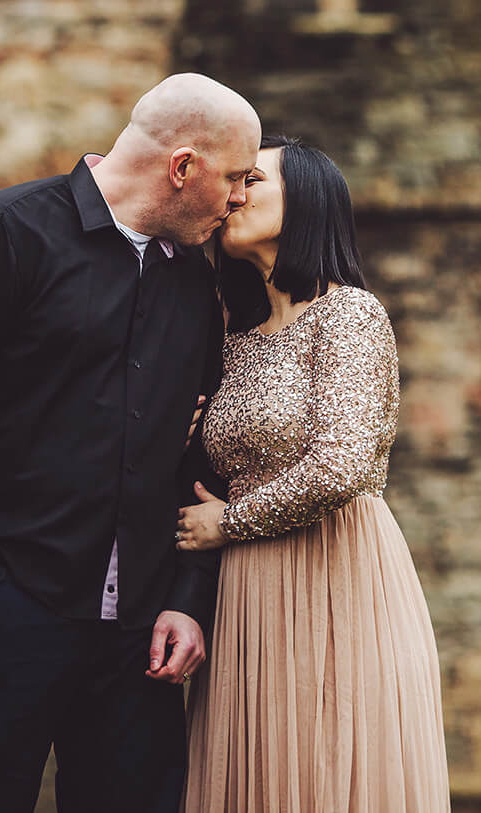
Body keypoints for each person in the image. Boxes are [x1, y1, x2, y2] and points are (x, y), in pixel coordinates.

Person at [0, 73, 260, 813]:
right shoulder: (3, 233)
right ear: (183, 167)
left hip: (138, 646)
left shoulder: (195, 282)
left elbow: (200, 453)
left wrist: (186, 599)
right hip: (2, 617)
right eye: (236, 175)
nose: (242, 196)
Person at [175, 135, 451, 812]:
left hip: (333, 575)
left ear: (307, 204)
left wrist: (229, 521)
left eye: (252, 181)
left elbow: (343, 462)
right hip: (249, 594)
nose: (232, 194)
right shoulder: (237, 335)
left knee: (328, 770)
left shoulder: (349, 315)